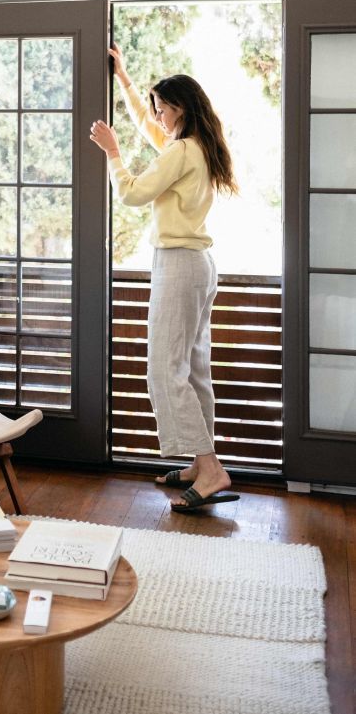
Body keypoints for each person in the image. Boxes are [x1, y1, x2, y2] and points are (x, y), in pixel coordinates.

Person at [90, 43, 239, 513]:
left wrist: (113, 154)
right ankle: (199, 464)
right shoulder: (197, 148)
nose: (156, 115)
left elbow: (133, 193)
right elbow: (146, 124)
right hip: (198, 265)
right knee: (193, 370)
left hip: (179, 265)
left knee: (164, 370)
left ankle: (210, 469)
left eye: (162, 107)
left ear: (180, 109)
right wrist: (124, 79)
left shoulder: (181, 151)